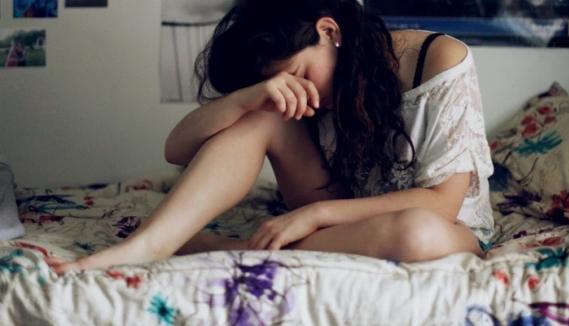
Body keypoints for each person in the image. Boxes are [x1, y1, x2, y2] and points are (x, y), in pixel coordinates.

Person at [46, 0, 495, 274]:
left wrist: (315, 214)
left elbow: (441, 202)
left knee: (417, 235)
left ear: (330, 31)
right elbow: (175, 149)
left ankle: (234, 250)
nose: (308, 97)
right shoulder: (298, 96)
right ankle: (149, 246)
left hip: (439, 223)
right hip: (340, 204)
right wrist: (251, 99)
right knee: (265, 119)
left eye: (301, 73)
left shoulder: (439, 58)